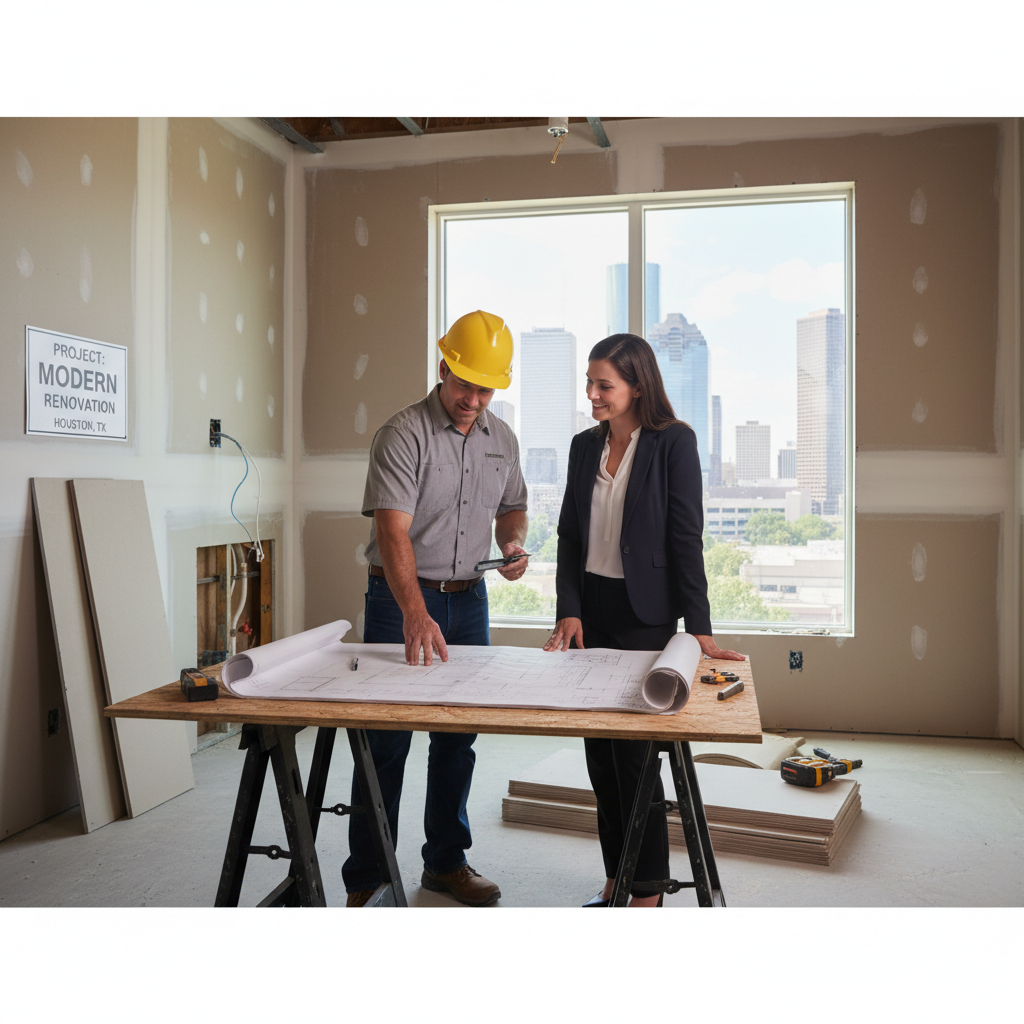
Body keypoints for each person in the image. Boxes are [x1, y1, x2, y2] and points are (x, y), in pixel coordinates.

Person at [543, 333, 744, 907]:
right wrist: (570, 608)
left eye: (604, 385)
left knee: (635, 764)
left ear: (637, 385)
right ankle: (618, 877)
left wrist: (699, 626)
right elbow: (569, 537)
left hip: (645, 617)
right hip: (591, 615)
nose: (592, 394)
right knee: (600, 763)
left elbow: (686, 536)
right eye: (589, 382)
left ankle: (647, 891)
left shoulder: (673, 442)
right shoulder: (585, 446)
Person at [343, 309, 529, 908]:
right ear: (443, 366)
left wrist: (512, 543)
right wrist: (415, 612)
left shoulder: (503, 439)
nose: (474, 398)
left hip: (469, 602)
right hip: (399, 601)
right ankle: (368, 877)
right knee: (386, 742)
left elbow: (513, 505)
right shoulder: (403, 434)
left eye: (486, 388)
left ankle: (445, 864)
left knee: (457, 738)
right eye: (465, 383)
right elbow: (393, 532)